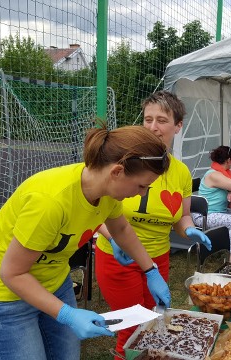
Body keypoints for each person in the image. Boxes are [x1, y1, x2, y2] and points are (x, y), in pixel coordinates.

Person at [0, 125, 173, 360]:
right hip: (6, 297)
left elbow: (121, 228)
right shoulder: (49, 202)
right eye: (141, 186)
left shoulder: (106, 191)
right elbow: (12, 274)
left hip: (54, 284)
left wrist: (150, 270)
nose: (141, 194)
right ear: (117, 171)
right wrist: (67, 315)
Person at [94, 91, 211, 360]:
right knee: (131, 328)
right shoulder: (122, 162)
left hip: (157, 260)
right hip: (118, 259)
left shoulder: (180, 172)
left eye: (161, 120)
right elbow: (96, 213)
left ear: (178, 126)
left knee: (153, 322)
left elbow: (181, 217)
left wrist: (189, 229)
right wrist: (112, 238)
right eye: (148, 119)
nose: (153, 127)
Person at [193, 145, 231, 262]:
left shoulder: (225, 172)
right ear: (229, 160)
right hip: (204, 215)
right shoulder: (214, 175)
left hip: (217, 212)